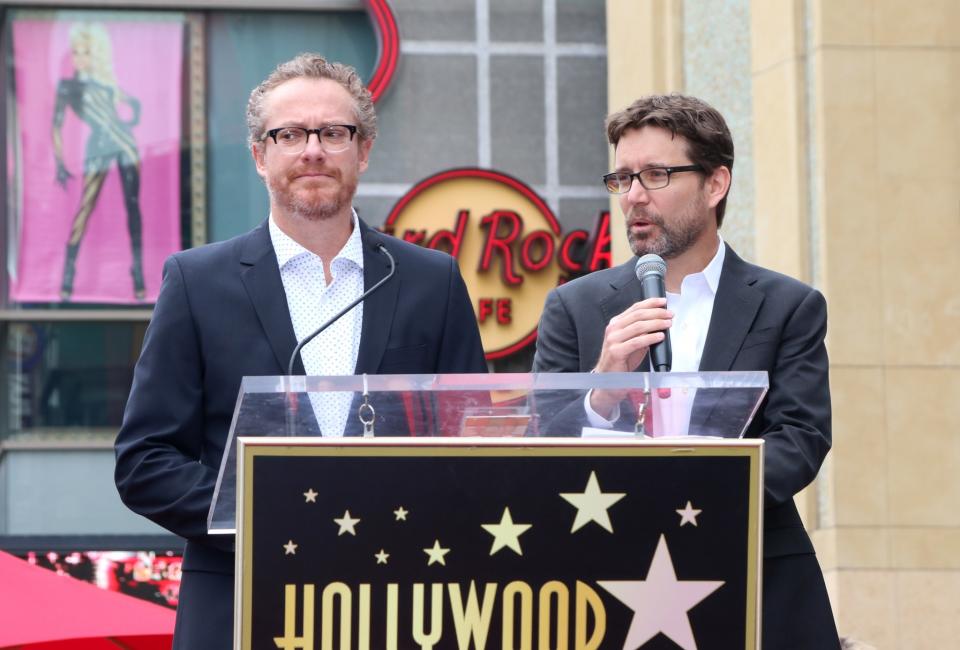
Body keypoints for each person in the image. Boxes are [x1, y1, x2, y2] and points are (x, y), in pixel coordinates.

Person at [114, 53, 487, 649]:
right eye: (290, 134)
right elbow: (146, 460)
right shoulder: (197, 281)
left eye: (333, 133)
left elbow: (475, 446)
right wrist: (270, 517)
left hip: (399, 604)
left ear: (362, 150)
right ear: (262, 156)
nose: (312, 150)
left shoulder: (430, 280)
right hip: (239, 602)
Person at [533, 93, 840, 648]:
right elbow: (540, 445)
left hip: (756, 577)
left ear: (715, 184)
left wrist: (690, 502)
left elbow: (801, 438)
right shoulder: (573, 308)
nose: (634, 197)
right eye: (623, 178)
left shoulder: (787, 305)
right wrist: (601, 392)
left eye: (656, 174)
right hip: (601, 583)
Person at [53, 22, 145, 301]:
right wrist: (59, 161)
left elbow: (135, 106)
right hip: (98, 146)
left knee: (132, 208)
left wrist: (130, 117)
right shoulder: (67, 87)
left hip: (124, 143)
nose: (82, 57)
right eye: (77, 52)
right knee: (85, 206)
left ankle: (138, 272)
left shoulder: (105, 84)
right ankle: (68, 273)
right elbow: (56, 126)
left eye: (87, 52)